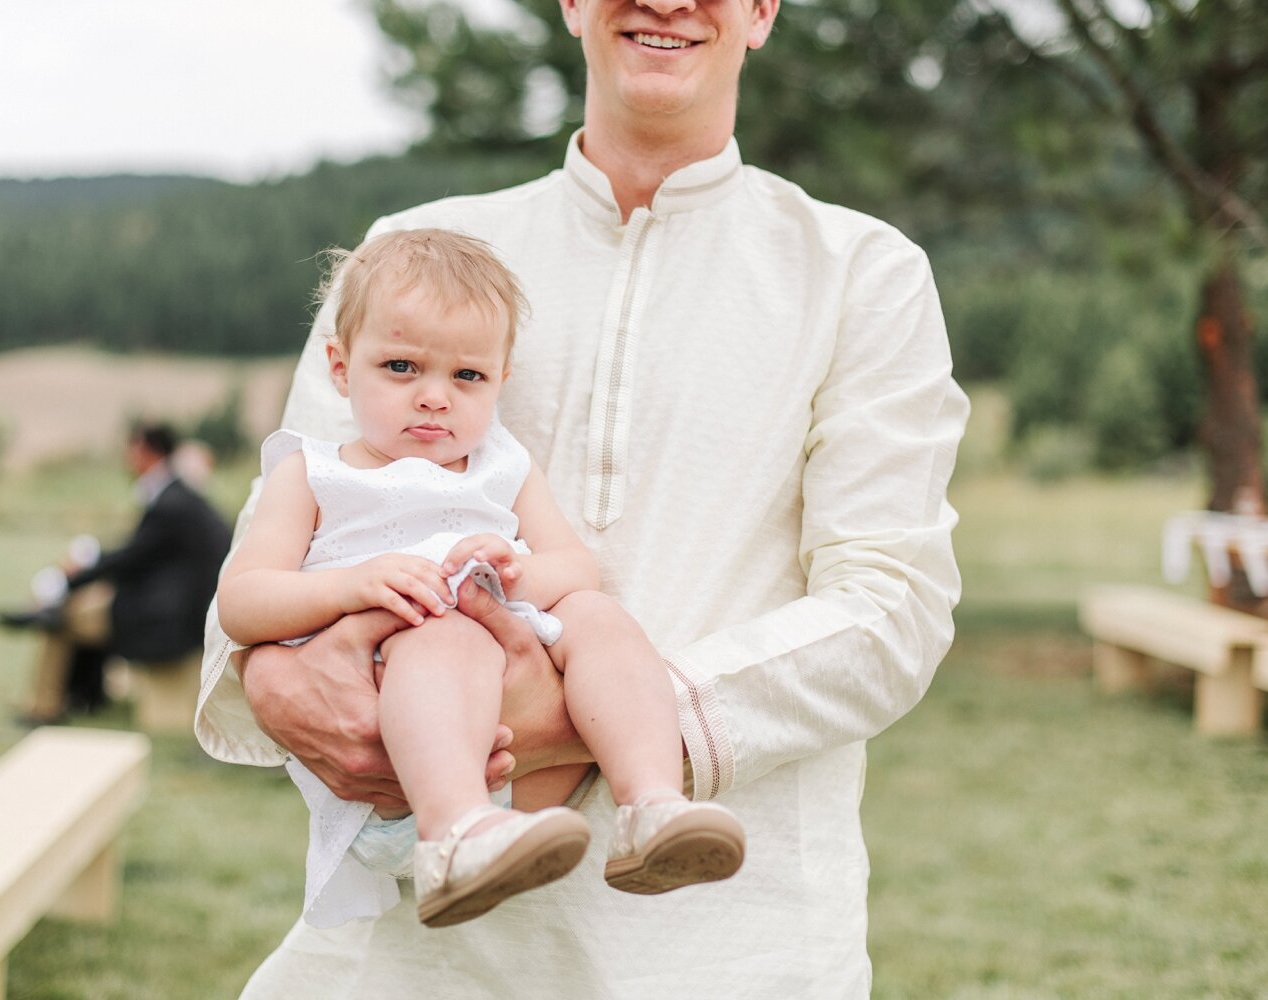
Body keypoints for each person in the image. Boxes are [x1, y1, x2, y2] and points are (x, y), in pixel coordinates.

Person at [196, 0, 968, 994]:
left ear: (765, 8)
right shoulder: (415, 254)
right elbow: (273, 557)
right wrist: (276, 685)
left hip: (731, 945)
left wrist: (589, 716)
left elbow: (891, 611)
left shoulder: (862, 274)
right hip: (412, 957)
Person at [215, 229, 746, 929]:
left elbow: (575, 565)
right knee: (446, 637)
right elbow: (242, 602)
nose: (436, 397)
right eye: (402, 367)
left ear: (501, 380)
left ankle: (649, 805)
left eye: (467, 377)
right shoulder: (314, 475)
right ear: (341, 369)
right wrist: (352, 584)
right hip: (398, 781)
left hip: (528, 772)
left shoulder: (503, 467)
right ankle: (455, 838)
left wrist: (515, 570)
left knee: (596, 614)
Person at [4, 421, 231, 724]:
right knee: (89, 600)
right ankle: (87, 694)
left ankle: (44, 707)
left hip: (169, 616)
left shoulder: (169, 502)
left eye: (130, 449)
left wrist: (72, 578)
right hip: (181, 603)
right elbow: (143, 552)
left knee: (62, 617)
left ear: (145, 451)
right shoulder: (178, 494)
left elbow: (132, 557)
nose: (126, 458)